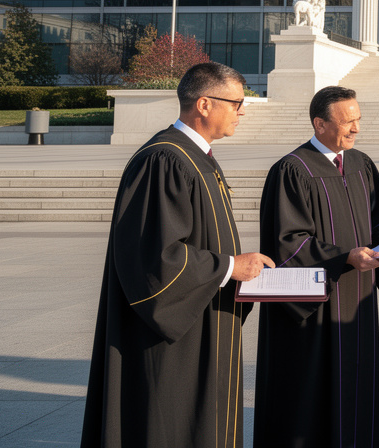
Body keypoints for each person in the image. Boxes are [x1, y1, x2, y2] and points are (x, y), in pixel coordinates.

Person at [81, 63, 274, 448]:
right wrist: (232, 266)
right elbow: (156, 257)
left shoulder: (195, 156)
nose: (242, 111)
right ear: (204, 104)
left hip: (204, 323)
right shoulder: (165, 159)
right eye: (236, 102)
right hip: (172, 344)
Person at [253, 86, 379, 447]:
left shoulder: (360, 164)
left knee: (357, 388)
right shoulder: (293, 170)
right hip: (315, 310)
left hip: (358, 298)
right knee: (312, 400)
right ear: (319, 124)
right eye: (347, 121)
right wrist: (344, 257)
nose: (356, 129)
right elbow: (287, 242)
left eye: (358, 120)